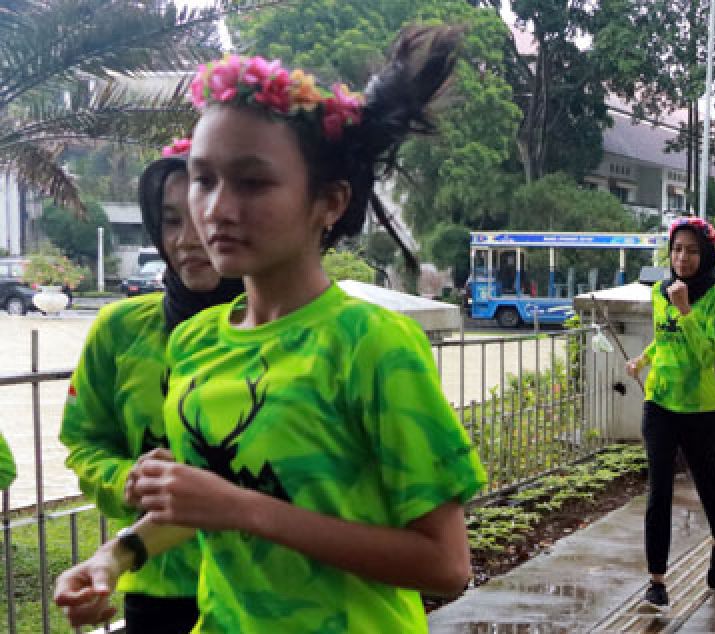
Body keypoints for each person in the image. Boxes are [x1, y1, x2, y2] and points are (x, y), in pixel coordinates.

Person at [55, 26, 486, 632]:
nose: (217, 209)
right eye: (203, 178)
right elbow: (202, 502)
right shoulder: (197, 341)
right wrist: (114, 556)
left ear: (329, 203)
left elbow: (445, 565)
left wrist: (243, 510)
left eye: (253, 182)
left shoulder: (371, 345)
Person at [57, 145, 244, 633]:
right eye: (168, 221)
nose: (186, 240)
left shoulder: (288, 335)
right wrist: (128, 481)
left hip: (263, 588)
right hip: (156, 587)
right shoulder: (119, 330)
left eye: (201, 218)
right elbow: (83, 442)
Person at [626, 216, 715, 611]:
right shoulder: (660, 291)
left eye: (691, 250)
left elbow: (707, 354)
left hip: (701, 407)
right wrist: (645, 357)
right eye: (677, 249)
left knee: (707, 481)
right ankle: (656, 581)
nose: (682, 257)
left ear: (705, 255)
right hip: (660, 402)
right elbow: (663, 337)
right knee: (659, 490)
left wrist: (686, 310)